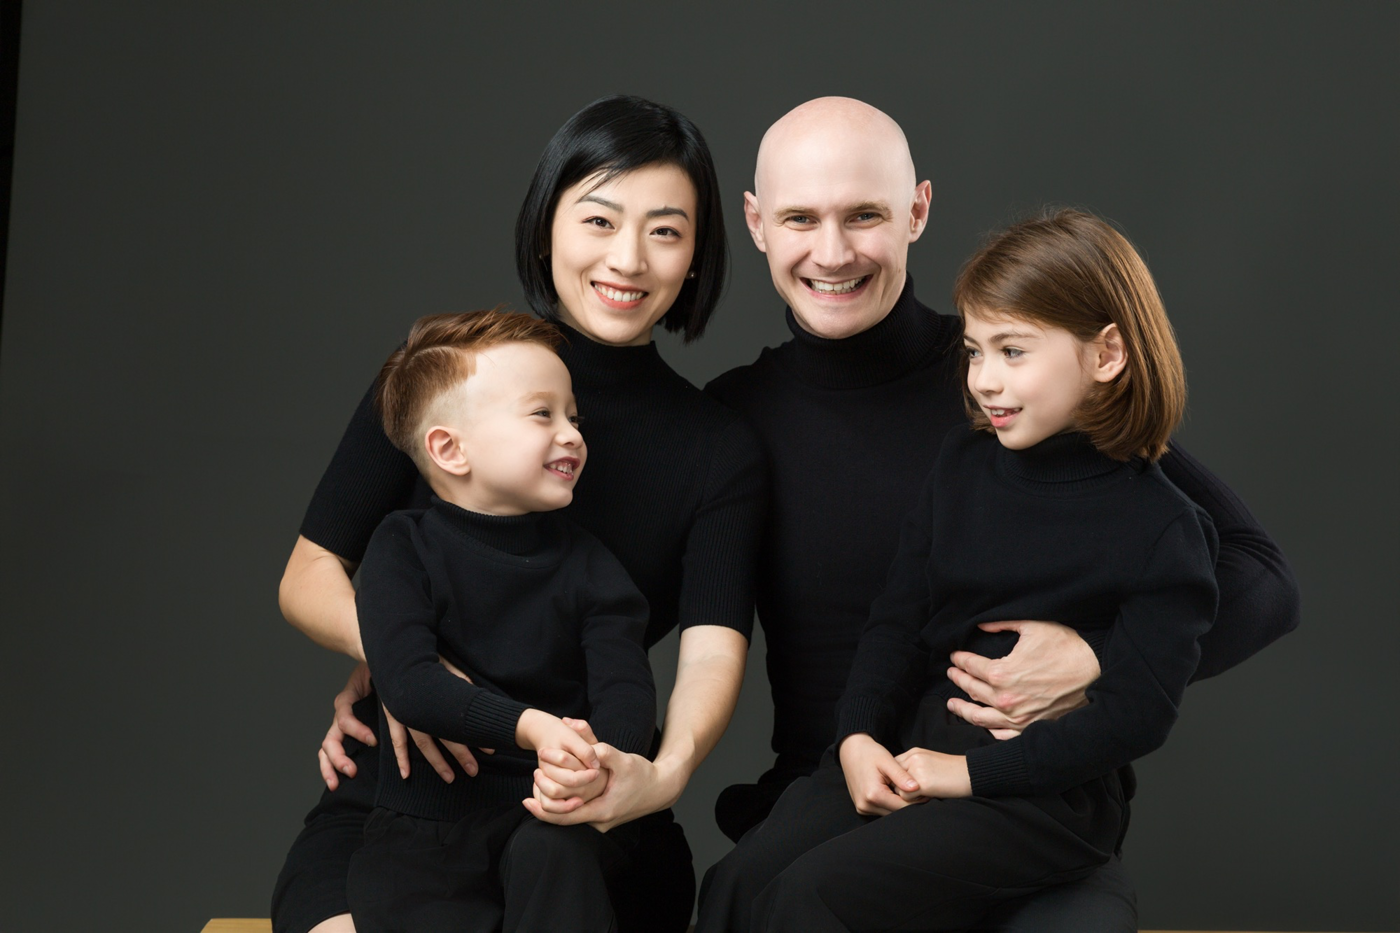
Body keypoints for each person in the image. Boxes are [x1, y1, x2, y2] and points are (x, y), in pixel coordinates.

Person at [703, 97, 1300, 928]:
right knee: (752, 892)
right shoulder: (734, 419)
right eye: (801, 217)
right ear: (757, 223)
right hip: (849, 778)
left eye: (864, 215)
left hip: (1023, 790)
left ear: (917, 211)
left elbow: (1261, 578)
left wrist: (1097, 658)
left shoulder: (1021, 382)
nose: (832, 252)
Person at [270, 96, 766, 933]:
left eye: (665, 232)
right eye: (599, 220)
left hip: (581, 804)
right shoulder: (444, 374)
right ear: (546, 228)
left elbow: (713, 649)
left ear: (695, 257)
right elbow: (308, 573)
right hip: (408, 796)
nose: (628, 258)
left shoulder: (717, 448)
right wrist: (407, 664)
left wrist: (663, 771)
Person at [346, 309, 656, 933]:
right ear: (450, 449)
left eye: (573, 417)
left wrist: (598, 763)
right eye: (543, 414)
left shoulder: (591, 565)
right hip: (426, 830)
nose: (572, 435)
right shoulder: (402, 546)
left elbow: (626, 692)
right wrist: (533, 726)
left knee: (559, 856)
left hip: (553, 814)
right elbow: (408, 682)